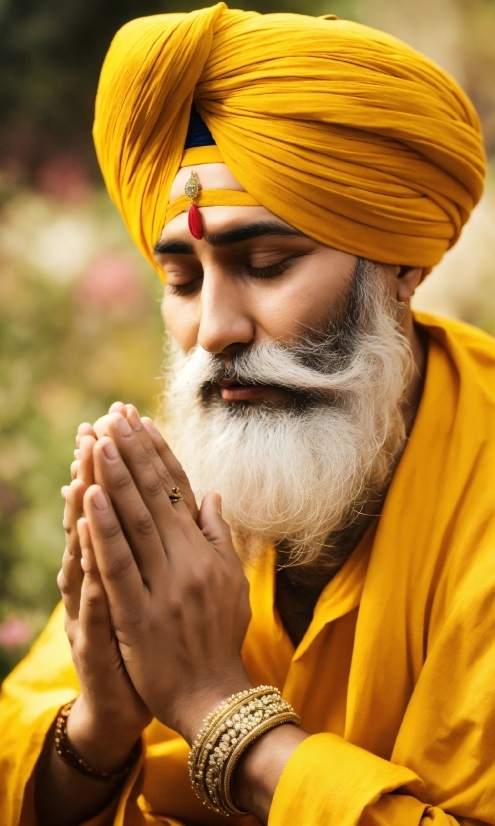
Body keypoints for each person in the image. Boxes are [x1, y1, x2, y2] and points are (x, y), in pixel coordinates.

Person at [1, 6, 494, 826]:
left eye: (265, 265)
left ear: (401, 265)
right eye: (183, 282)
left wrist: (212, 705)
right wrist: (101, 725)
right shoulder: (196, 461)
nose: (216, 329)